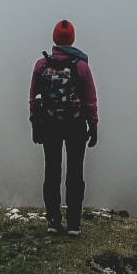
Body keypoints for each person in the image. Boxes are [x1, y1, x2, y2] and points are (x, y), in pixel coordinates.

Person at [30, 19, 98, 234]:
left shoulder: (42, 66)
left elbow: (34, 97)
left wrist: (35, 123)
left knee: (52, 171)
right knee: (75, 173)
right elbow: (90, 100)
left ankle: (53, 221)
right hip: (75, 126)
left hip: (49, 125)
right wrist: (93, 125)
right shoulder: (81, 66)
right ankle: (74, 224)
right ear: (72, 38)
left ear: (54, 39)